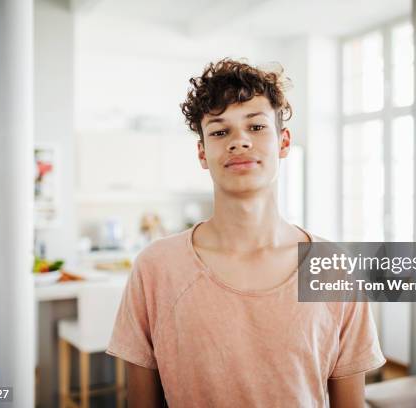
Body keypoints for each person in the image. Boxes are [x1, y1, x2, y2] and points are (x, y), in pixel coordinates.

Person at [107, 58, 385, 407]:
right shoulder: (155, 267)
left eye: (256, 127)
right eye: (220, 132)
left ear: (283, 142)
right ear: (202, 152)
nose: (238, 142)